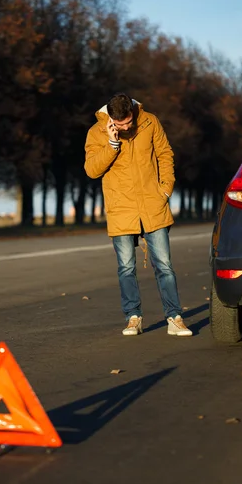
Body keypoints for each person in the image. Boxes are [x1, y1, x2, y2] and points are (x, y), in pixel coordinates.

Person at [84, 93, 192, 337]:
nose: (126, 127)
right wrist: (112, 145)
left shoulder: (150, 122)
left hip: (153, 205)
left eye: (128, 122)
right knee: (126, 268)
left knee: (165, 266)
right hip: (121, 208)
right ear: (111, 119)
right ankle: (133, 318)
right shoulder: (96, 132)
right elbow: (91, 170)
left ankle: (175, 318)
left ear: (132, 111)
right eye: (120, 125)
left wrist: (165, 189)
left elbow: (165, 154)